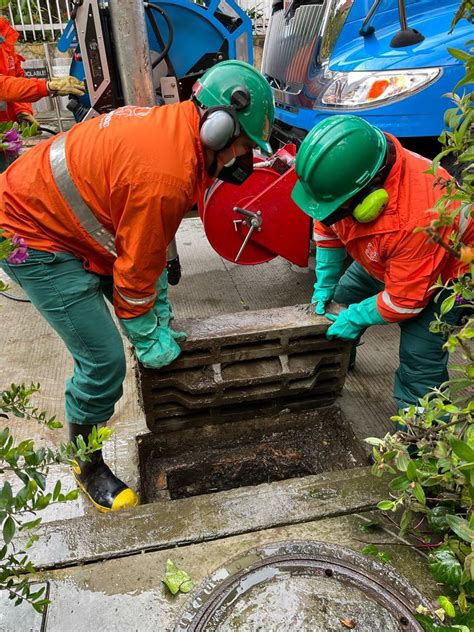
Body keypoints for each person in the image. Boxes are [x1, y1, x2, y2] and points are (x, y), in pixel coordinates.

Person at [0, 59, 275, 512]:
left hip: (69, 216)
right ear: (219, 129)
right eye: (243, 145)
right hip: (32, 235)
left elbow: (145, 246)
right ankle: (85, 462)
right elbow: (134, 272)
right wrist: (145, 330)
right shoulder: (165, 175)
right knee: (103, 360)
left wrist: (159, 311)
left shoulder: (178, 131)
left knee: (141, 296)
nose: (241, 160)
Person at [291, 114, 472, 413]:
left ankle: (422, 445)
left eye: (339, 207)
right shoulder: (355, 168)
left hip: (445, 276)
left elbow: (405, 301)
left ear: (371, 196)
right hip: (388, 255)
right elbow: (328, 223)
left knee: (419, 360)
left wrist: (357, 317)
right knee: (338, 304)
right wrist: (325, 282)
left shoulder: (420, 217)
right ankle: (334, 369)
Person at [0, 0, 84, 130]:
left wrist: (22, 110)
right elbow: (3, 86)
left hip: (7, 132)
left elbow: (17, 77)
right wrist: (46, 86)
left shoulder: (3, 33)